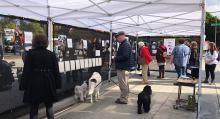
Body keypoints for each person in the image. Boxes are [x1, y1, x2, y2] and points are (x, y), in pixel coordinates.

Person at [19, 34, 61, 119]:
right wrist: (57, 84)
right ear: (46, 42)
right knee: (49, 106)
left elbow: (26, 71)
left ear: (34, 42)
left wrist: (23, 85)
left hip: (35, 82)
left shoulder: (30, 54)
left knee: (34, 107)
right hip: (48, 82)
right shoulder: (51, 54)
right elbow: (56, 71)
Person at [114, 31, 133, 104]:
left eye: (118, 37)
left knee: (123, 84)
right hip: (124, 67)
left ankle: (124, 99)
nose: (117, 39)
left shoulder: (125, 44)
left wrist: (116, 58)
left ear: (122, 36)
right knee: (125, 83)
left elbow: (125, 56)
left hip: (123, 68)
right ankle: (123, 97)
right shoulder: (124, 44)